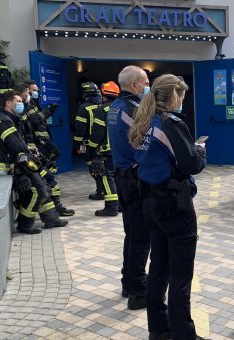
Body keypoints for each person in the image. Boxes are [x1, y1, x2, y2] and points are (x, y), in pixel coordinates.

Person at [129, 74, 206, 340]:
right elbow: (191, 164)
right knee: (181, 274)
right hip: (175, 207)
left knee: (159, 267)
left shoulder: (144, 121)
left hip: (151, 202)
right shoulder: (170, 123)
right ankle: (184, 334)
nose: (183, 102)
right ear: (174, 96)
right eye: (182, 97)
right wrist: (199, 150)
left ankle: (159, 329)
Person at [0, 91, 68, 234]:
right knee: (38, 190)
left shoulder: (6, 118)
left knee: (43, 183)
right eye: (18, 102)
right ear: (8, 103)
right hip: (8, 167)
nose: (21, 105)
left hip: (14, 164)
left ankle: (51, 218)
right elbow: (16, 145)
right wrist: (29, 157)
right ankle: (25, 223)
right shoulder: (5, 121)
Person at [108, 66, 152, 310]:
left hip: (122, 177)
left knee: (132, 233)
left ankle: (128, 280)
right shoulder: (134, 110)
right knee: (141, 236)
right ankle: (137, 290)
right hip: (134, 179)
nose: (148, 86)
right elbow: (146, 143)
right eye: (146, 82)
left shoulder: (114, 108)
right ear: (135, 85)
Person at [24, 80, 74, 217]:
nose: (36, 93)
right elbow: (35, 121)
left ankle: (56, 207)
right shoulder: (27, 106)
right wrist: (49, 110)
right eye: (33, 90)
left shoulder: (34, 104)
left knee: (49, 174)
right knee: (48, 174)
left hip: (43, 142)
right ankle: (56, 208)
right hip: (39, 144)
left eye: (37, 90)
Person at [87, 81, 120, 217]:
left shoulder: (102, 110)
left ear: (103, 94)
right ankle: (121, 205)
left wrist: (91, 150)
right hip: (121, 151)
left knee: (107, 177)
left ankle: (111, 207)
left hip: (107, 151)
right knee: (120, 178)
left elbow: (97, 133)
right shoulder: (121, 108)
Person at [73, 81, 105, 200]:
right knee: (104, 167)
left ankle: (100, 191)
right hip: (104, 143)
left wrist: (77, 145)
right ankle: (105, 189)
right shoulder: (103, 106)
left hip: (89, 144)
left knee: (94, 168)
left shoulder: (83, 108)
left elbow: (80, 128)